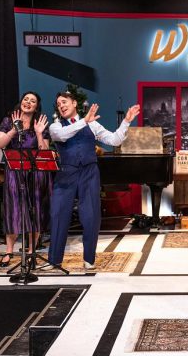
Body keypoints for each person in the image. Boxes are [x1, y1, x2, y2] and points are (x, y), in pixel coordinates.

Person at [46, 91, 140, 270]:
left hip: (89, 173)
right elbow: (64, 136)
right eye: (59, 104)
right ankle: (54, 259)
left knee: (91, 216)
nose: (61, 106)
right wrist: (84, 121)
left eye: (64, 102)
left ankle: (89, 258)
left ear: (74, 104)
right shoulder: (56, 126)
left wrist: (126, 121)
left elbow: (114, 140)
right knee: (58, 215)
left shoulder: (92, 124)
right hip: (66, 173)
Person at [0, 91, 52, 267]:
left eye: (32, 101)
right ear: (21, 102)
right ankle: (9, 251)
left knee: (35, 209)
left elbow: (44, 152)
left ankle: (31, 251)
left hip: (35, 173)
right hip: (14, 172)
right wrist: (13, 129)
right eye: (26, 99)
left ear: (36, 106)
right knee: (13, 210)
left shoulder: (40, 123)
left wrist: (39, 133)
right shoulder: (8, 120)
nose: (28, 102)